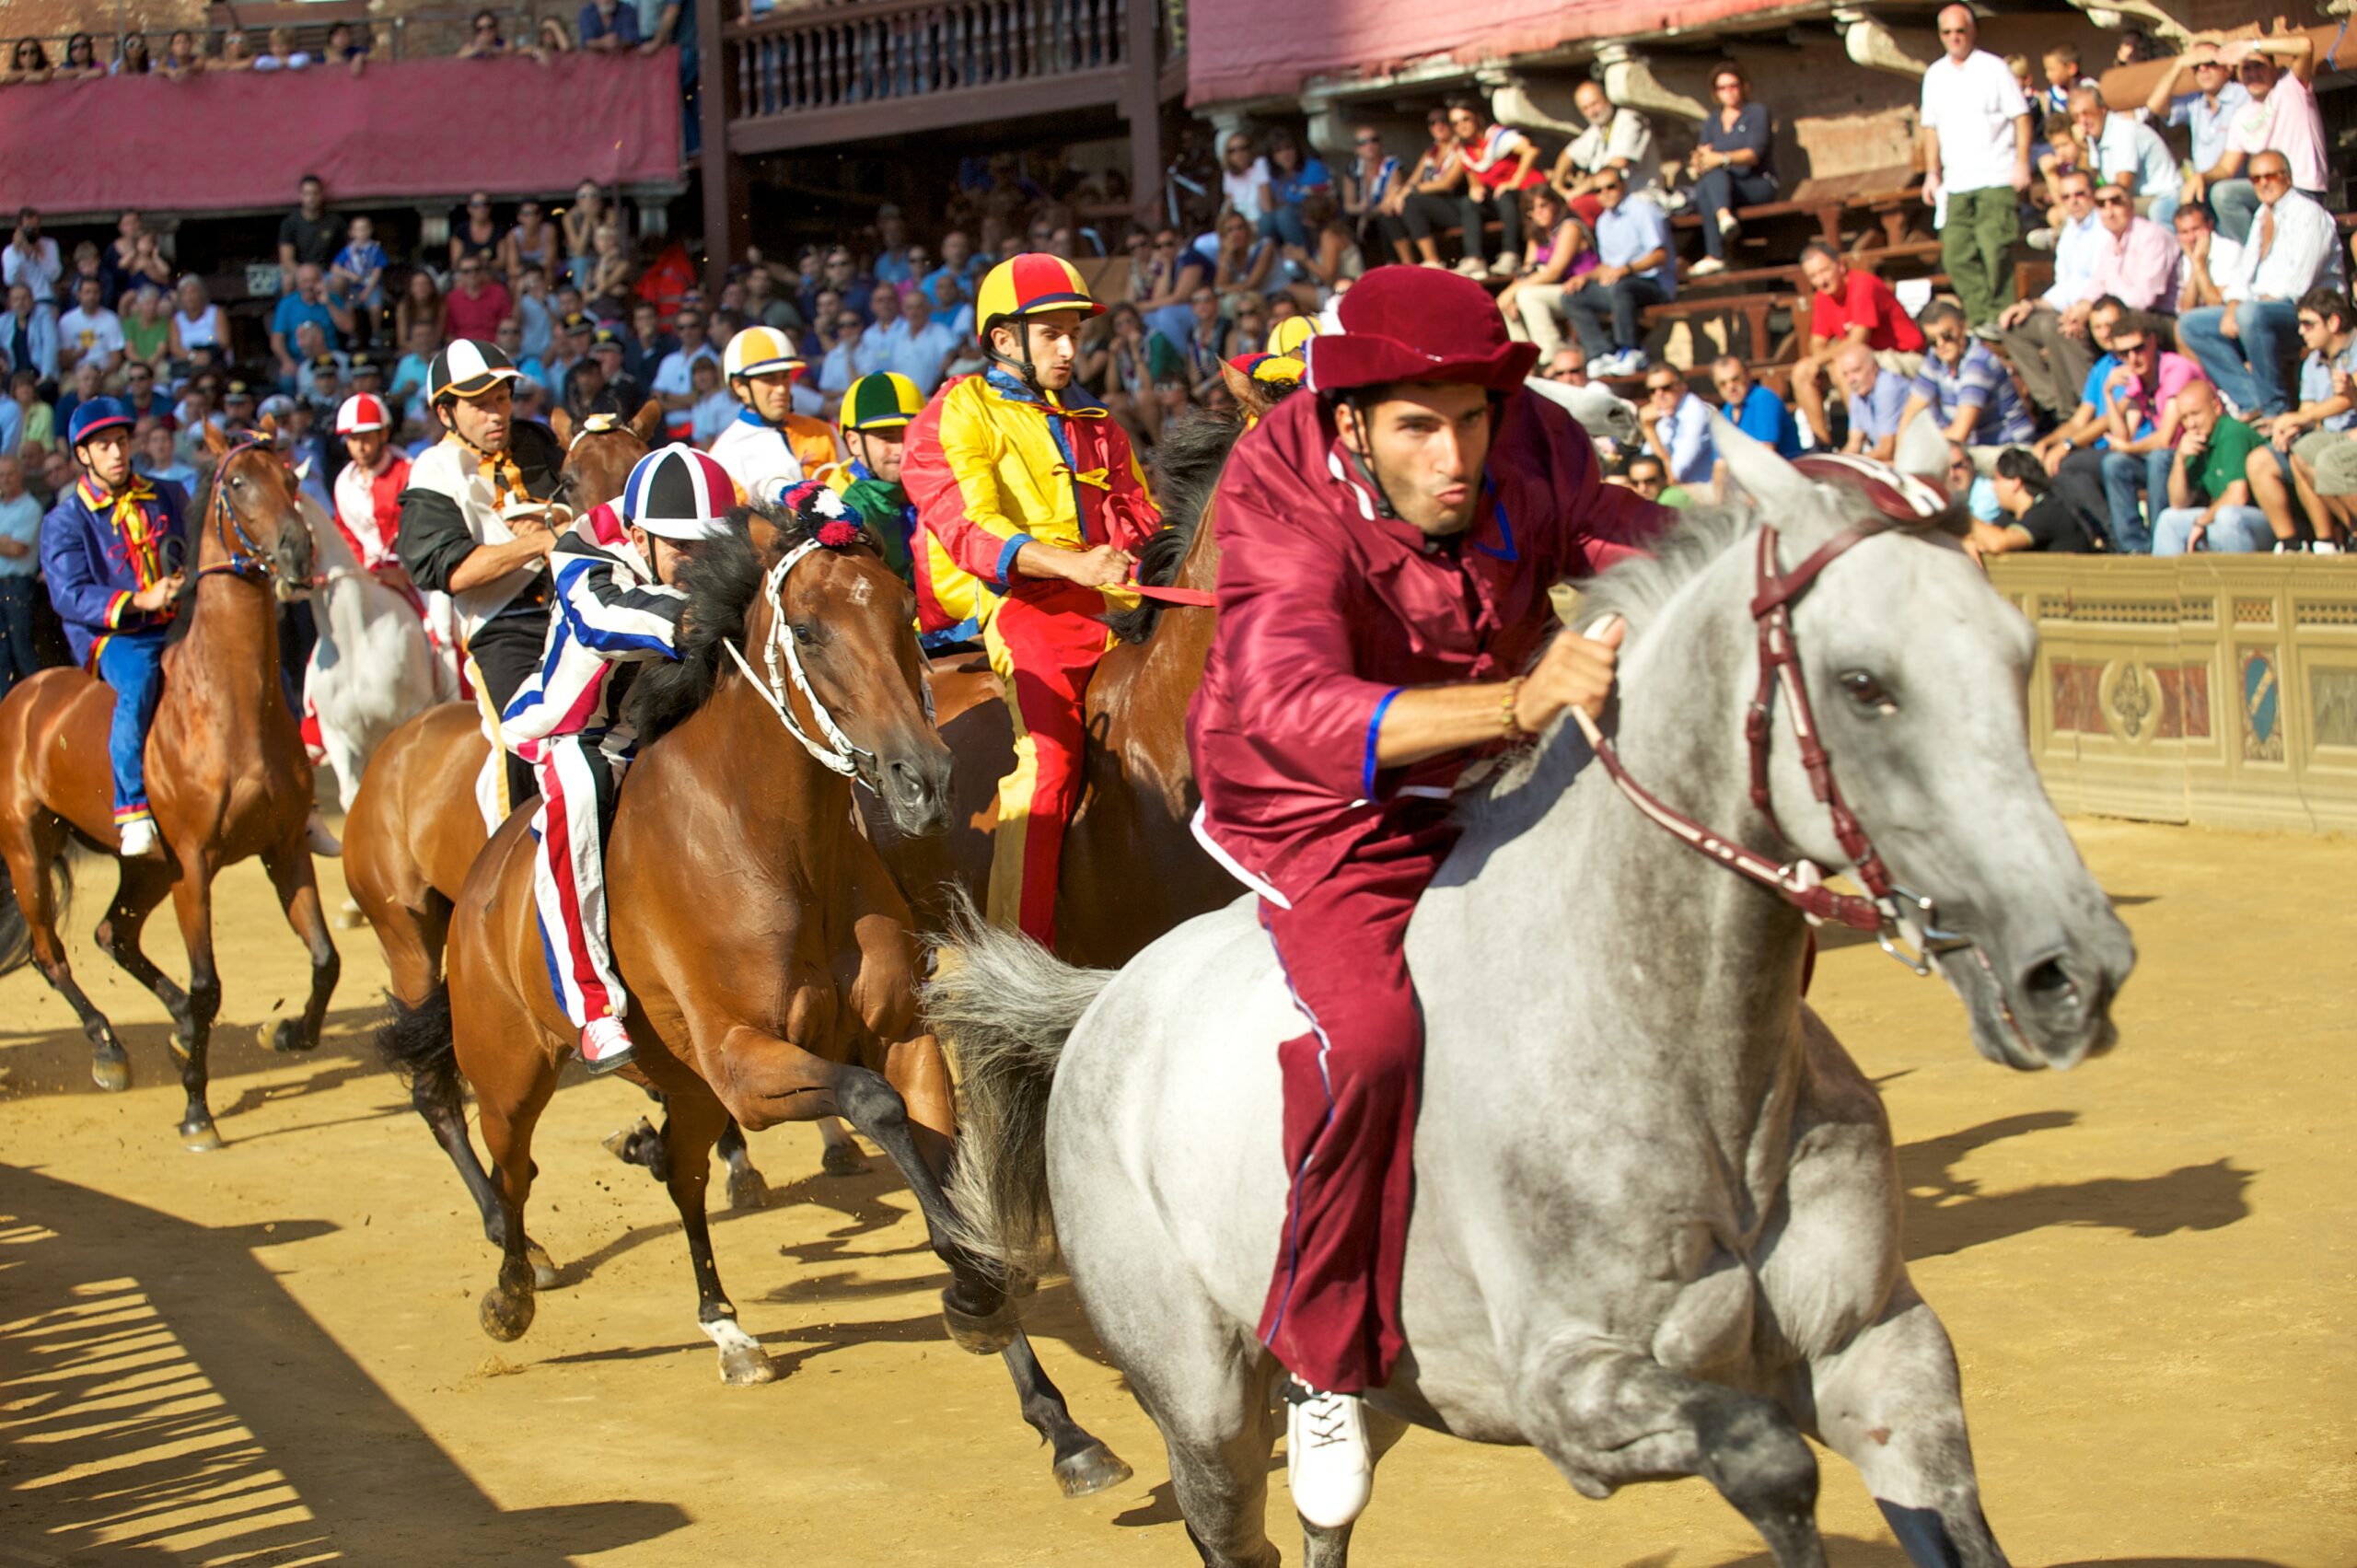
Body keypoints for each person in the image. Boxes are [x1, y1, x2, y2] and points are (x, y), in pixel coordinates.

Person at [1185, 267, 1661, 1527]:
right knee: (1377, 1038)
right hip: (1321, 799)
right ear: (1350, 422)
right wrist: (1513, 701)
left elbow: (1616, 529)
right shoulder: (1276, 480)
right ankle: (1320, 1351)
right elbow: (1288, 701)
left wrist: (1759, 563)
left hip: (1504, 757)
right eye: (1416, 424)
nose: (1456, 454)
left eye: (1472, 417)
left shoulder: (1534, 439)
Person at [900, 254, 1161, 948]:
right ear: (1003, 340)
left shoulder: (1100, 422)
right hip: (1029, 612)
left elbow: (1144, 517)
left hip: (1121, 603)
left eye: (1074, 332)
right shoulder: (956, 411)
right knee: (1049, 765)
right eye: (1052, 334)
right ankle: (1019, 956)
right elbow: (972, 531)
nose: (1070, 349)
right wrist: (1075, 563)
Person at [496, 443, 735, 1074]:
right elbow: (600, 617)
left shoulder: (688, 546)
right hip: (575, 734)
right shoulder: (582, 551)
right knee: (578, 792)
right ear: (638, 535)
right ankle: (593, 1006)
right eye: (682, 548)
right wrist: (695, 616)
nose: (696, 563)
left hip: (660, 729)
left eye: (709, 548)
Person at [392, 339, 570, 816]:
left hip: (578, 609)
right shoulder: (432, 470)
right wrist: (538, 541)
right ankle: (507, 866)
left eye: (503, 398)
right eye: (480, 404)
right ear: (446, 413)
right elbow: (453, 572)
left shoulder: (539, 442)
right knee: (519, 738)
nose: (497, 413)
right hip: (503, 628)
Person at [38, 399, 189, 857]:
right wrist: (139, 600)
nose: (117, 453)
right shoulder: (64, 520)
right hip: (116, 636)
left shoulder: (169, 493)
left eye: (121, 442)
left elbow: (194, 549)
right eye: (104, 446)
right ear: (83, 455)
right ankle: (133, 806)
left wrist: (189, 577)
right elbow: (69, 594)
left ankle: (296, 800)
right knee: (139, 684)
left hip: (179, 619)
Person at [2177, 152, 2340, 422]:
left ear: (2287, 178)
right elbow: (2245, 272)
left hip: (2308, 311)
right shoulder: (2264, 216)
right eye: (2256, 178)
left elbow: (2298, 285)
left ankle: (2273, 409)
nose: (2263, 183)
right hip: (2264, 310)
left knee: (2250, 314)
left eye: (2271, 176)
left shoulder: (2308, 214)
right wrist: (2232, 304)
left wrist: (2245, 307)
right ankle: (2249, 399)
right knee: (2192, 324)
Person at [1918, 5, 2032, 332]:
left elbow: (2020, 116)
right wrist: (1932, 172)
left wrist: (2022, 161)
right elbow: (1930, 128)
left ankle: (2002, 316)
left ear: (1972, 31)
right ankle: (1981, 316)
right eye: (1947, 32)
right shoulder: (1935, 75)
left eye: (1960, 31)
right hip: (1956, 180)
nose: (1955, 38)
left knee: (1994, 248)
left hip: (1996, 173)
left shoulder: (1993, 68)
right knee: (1955, 253)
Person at [2243, 288, 2357, 553]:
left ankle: (2348, 533)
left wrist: (2301, 417)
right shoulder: (2312, 363)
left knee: (2324, 459)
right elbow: (2309, 411)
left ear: (2334, 322)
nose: (2301, 332)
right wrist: (2290, 427)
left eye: (2308, 324)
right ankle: (2311, 542)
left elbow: (2345, 400)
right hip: (2327, 436)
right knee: (2270, 457)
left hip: (2349, 435)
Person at [1790, 240, 1925, 447]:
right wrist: (1817, 361)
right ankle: (1823, 444)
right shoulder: (1823, 297)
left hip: (1904, 356)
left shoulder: (1863, 285)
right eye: (1813, 276)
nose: (1821, 280)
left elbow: (1858, 341)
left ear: (1841, 265)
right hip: (1869, 358)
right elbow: (1816, 342)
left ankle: (1862, 440)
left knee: (1843, 367)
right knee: (1801, 371)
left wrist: (1822, 359)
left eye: (1824, 271)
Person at [1992, 169, 2101, 422]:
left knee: (2055, 327)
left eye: (2080, 194)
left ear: (2092, 194)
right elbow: (2064, 283)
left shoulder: (2102, 228)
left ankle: (2078, 408)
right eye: (2066, 197)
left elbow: (2100, 281)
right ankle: (2052, 402)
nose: (2074, 201)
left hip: (2092, 306)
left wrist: (2079, 309)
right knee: (2013, 326)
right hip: (2066, 305)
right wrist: (2030, 305)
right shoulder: (2070, 232)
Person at [2096, 314, 2204, 554]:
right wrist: (2108, 392)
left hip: (2199, 450)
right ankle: (2134, 548)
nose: (2133, 359)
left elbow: (2166, 438)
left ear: (2153, 342)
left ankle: (2160, 543)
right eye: (2124, 354)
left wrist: (2128, 448)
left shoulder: (2176, 369)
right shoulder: (2137, 377)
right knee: (2115, 464)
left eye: (2139, 349)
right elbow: (2124, 435)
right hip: (2172, 456)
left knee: (2158, 457)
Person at [2207, 30, 2326, 246]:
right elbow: (2226, 168)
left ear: (2274, 68)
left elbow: (2305, 46)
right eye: (2247, 68)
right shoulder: (2240, 116)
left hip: (2302, 189)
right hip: (2267, 191)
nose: (2253, 73)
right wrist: (2198, 178)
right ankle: (2261, 259)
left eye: (2259, 66)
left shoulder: (2290, 88)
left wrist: (2252, 46)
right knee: (2222, 195)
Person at [1561, 169, 1674, 377]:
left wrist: (1627, 269)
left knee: (1622, 287)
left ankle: (1632, 350)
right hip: (1621, 284)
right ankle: (1601, 354)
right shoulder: (1604, 222)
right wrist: (1584, 277)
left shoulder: (1643, 210)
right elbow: (1608, 267)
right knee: (1572, 296)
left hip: (1654, 283)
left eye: (1611, 186)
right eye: (1599, 189)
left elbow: (1660, 256)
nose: (1606, 193)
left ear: (1623, 185)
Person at [711, 323, 838, 494]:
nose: (781, 388)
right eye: (769, 378)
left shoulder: (824, 432)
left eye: (785, 376)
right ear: (739, 385)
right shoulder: (724, 455)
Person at [2153, 380, 2270, 554]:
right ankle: (2165, 580)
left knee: (2228, 517)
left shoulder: (2231, 432)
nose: (2191, 424)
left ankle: (2241, 579)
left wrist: (2202, 521)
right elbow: (2179, 502)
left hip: (2269, 521)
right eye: (2184, 418)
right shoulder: (2198, 440)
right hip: (2228, 525)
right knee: (2168, 519)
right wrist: (2179, 460)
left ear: (2216, 407)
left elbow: (2238, 496)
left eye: (2195, 414)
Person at [1901, 299, 2034, 454]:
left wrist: (1916, 443)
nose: (1941, 344)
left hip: (2007, 449)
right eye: (1932, 340)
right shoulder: (1935, 356)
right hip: (1973, 447)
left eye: (1947, 336)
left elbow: (1959, 434)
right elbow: (1910, 413)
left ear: (1963, 327)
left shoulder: (1978, 363)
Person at [1683, 65, 1775, 277]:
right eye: (1722, 88)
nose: (1729, 92)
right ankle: (1722, 229)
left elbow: (1754, 155)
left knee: (1714, 174)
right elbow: (1705, 156)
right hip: (1724, 188)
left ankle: (1715, 251)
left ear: (1743, 87)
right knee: (1708, 180)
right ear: (1715, 92)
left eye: (1733, 86)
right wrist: (1699, 162)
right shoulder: (1712, 122)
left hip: (1756, 182)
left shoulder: (1756, 113)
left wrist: (1722, 158)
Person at [2146, 41, 2249, 214]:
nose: (2203, 69)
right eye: (2196, 66)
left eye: (2211, 64)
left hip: (2234, 183)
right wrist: (2179, 65)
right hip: (2201, 183)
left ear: (2228, 68)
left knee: (2221, 195)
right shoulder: (2196, 102)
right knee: (2161, 211)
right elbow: (2154, 105)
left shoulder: (2242, 95)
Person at [1446, 97, 1543, 281]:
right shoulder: (1466, 151)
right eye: (1456, 123)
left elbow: (1531, 151)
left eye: (1466, 119)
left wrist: (1515, 181)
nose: (1462, 126)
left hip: (1523, 193)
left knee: (1505, 194)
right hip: (1498, 199)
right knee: (1470, 203)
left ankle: (1511, 255)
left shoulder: (1498, 136)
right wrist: (1475, 190)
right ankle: (1474, 258)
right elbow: (1474, 179)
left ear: (1477, 118)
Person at [1549, 80, 1662, 226]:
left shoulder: (1629, 121)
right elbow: (1568, 154)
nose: (1592, 112)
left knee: (1576, 208)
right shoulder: (1598, 129)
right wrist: (1558, 185)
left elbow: (1613, 169)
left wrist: (1575, 192)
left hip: (1637, 198)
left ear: (1607, 98)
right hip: (1608, 199)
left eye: (1595, 104)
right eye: (1585, 108)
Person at [1967, 446, 2104, 560]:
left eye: (1997, 480)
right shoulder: (2011, 515)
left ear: (2015, 482)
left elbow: (1997, 543)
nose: (1993, 486)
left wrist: (1961, 514)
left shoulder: (2047, 512)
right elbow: (1988, 537)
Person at [2070, 85, 2180, 226]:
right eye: (2076, 116)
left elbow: (2122, 188)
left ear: (2102, 110)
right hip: (2136, 198)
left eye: (2087, 113)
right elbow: (2089, 182)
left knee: (2098, 215)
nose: (2082, 121)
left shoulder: (2122, 131)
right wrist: (2083, 149)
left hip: (2162, 197)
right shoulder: (2094, 134)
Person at [2084, 182, 2182, 314]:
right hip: (2126, 313)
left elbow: (2145, 299)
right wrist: (2082, 307)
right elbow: (2097, 286)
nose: (2109, 212)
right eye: (2101, 205)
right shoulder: (2109, 246)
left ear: (2131, 206)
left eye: (2116, 202)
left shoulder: (2151, 236)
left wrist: (2104, 310)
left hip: (2163, 315)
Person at [1638, 365, 1717, 495]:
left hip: (1703, 498)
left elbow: (1672, 476)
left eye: (1666, 388)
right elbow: (1646, 461)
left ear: (1682, 386)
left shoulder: (1695, 413)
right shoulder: (1664, 414)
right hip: (1681, 493)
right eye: (1652, 390)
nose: (1659, 394)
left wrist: (1649, 429)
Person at [0, 452, 41, 699]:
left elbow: (18, 549)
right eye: (1, 475)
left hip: (18, 586)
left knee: (21, 647)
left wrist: (8, 544)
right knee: (1, 653)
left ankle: (40, 702)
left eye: (9, 474)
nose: (5, 479)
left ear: (20, 475)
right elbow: (8, 545)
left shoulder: (31, 507)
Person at [1711, 356, 1801, 459]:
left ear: (1747, 375)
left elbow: (1766, 453)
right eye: (1723, 384)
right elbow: (1720, 460)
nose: (1731, 387)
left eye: (1735, 379)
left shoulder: (1764, 399)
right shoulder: (1727, 411)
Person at [1835, 343, 1910, 462]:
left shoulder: (1888, 388)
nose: (1851, 379)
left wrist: (1848, 464)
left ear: (1874, 367)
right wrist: (1833, 463)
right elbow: (1854, 444)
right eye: (1846, 374)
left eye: (1856, 370)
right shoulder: (1859, 392)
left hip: (1909, 460)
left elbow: (1886, 452)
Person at [56, 276, 124, 385]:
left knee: (115, 385)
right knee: (67, 387)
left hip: (105, 372)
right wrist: (76, 356)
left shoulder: (111, 319)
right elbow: (63, 360)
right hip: (77, 373)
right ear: (79, 295)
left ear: (100, 294)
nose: (91, 296)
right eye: (87, 292)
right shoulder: (66, 321)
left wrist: (101, 375)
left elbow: (116, 358)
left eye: (95, 292)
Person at [279, 175, 339, 287]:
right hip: (299, 273)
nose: (311, 198)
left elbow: (349, 252)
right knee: (287, 281)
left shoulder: (335, 221)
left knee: (339, 281)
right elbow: (286, 260)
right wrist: (306, 276)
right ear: (300, 195)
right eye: (306, 194)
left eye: (315, 193)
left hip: (326, 274)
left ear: (321, 195)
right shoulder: (289, 223)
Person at [579, 0, 644, 51]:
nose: (606, 1)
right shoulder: (587, 13)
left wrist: (619, 42)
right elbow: (586, 41)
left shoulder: (627, 11)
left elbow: (632, 40)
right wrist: (602, 43)